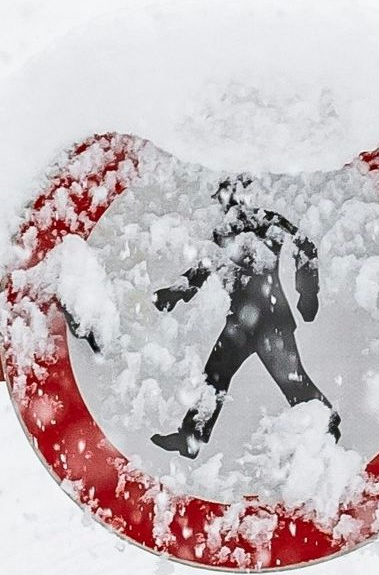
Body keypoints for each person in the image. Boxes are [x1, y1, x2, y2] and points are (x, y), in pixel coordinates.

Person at [142, 178, 333, 456]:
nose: (223, 201)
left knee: (292, 382)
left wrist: (307, 292)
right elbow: (206, 265)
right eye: (220, 196)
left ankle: (328, 424)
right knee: (214, 377)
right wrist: (177, 291)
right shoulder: (222, 232)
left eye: (226, 193)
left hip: (270, 319)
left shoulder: (266, 220)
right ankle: (191, 437)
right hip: (239, 324)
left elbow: (305, 246)